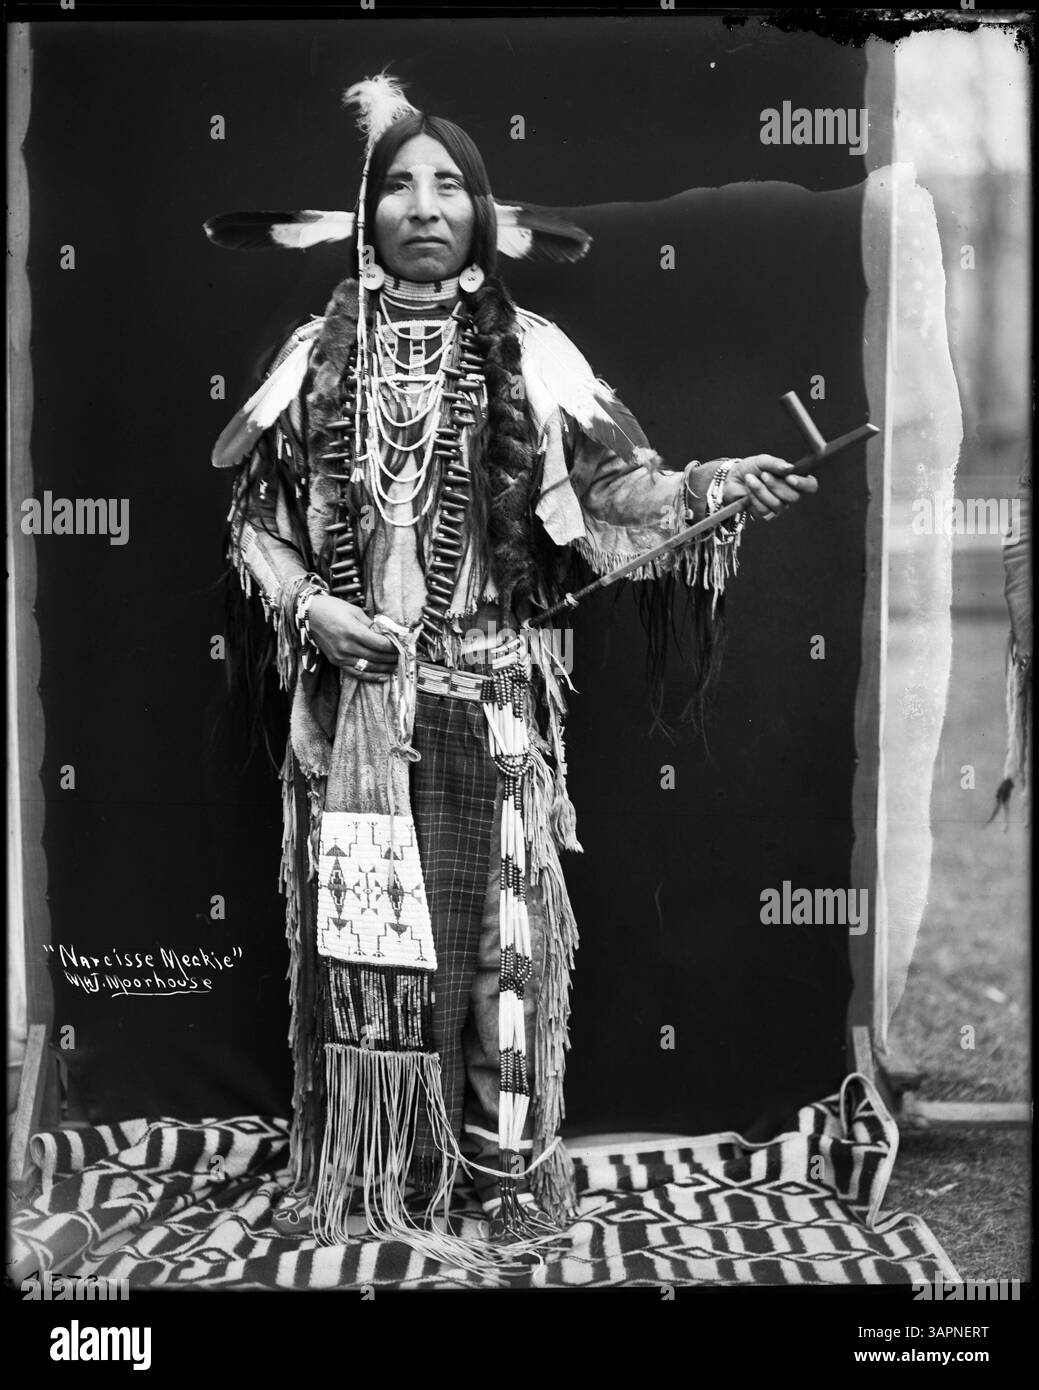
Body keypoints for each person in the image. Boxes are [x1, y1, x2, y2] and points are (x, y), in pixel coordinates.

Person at [208, 75, 818, 1256]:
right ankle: (376, 1167)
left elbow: (614, 495)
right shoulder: (314, 357)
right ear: (364, 210)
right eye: (398, 185)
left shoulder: (534, 354)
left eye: (449, 185)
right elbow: (252, 525)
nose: (424, 206)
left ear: (484, 213)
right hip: (356, 716)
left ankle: (498, 1172)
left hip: (491, 702)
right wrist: (314, 609)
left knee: (503, 951)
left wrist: (705, 486)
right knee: (369, 945)